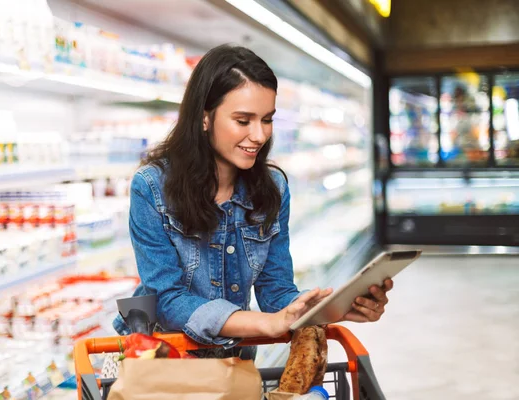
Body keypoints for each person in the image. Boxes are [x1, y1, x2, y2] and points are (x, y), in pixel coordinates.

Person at [113, 44, 393, 358]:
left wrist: (329, 309)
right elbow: (166, 300)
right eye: (243, 121)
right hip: (165, 363)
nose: (259, 136)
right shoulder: (152, 187)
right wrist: (266, 324)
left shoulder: (271, 188)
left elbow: (276, 291)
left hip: (236, 364)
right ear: (204, 117)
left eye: (267, 119)